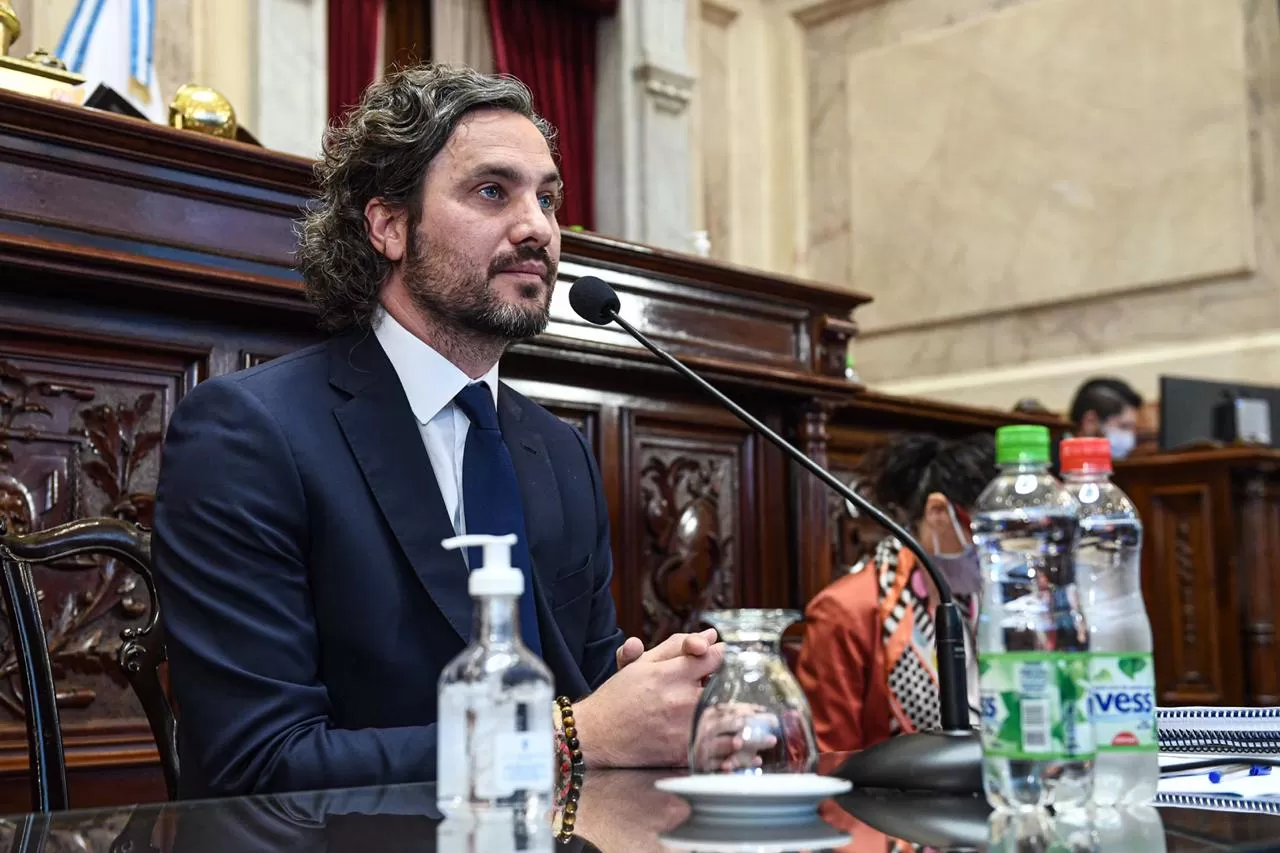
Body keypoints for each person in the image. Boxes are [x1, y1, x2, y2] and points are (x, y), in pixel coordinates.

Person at [151, 64, 722, 799]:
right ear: (389, 225)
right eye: (493, 192)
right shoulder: (249, 434)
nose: (539, 228)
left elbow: (587, 696)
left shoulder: (559, 451)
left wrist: (664, 706)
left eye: (547, 198)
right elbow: (258, 765)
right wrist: (572, 735)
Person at [794, 432, 996, 753]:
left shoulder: (985, 601)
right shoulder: (846, 611)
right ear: (938, 512)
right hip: (881, 798)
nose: (996, 552)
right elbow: (827, 757)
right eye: (985, 533)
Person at [1067, 377, 1143, 460]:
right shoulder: (1052, 466)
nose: (1131, 439)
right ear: (1090, 422)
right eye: (1124, 426)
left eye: (1132, 428)